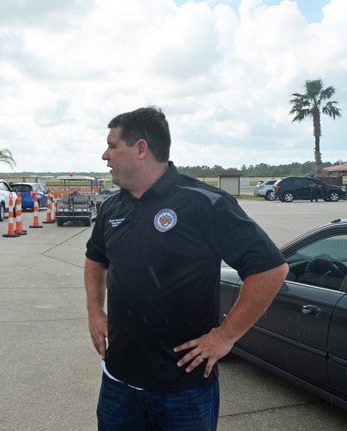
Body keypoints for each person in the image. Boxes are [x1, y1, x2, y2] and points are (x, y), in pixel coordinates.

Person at [84, 107, 288, 431]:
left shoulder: (205, 203)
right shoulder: (112, 207)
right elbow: (96, 258)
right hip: (118, 383)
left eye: (112, 145)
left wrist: (225, 336)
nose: (104, 155)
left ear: (141, 149)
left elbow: (270, 269)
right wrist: (95, 311)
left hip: (183, 392)